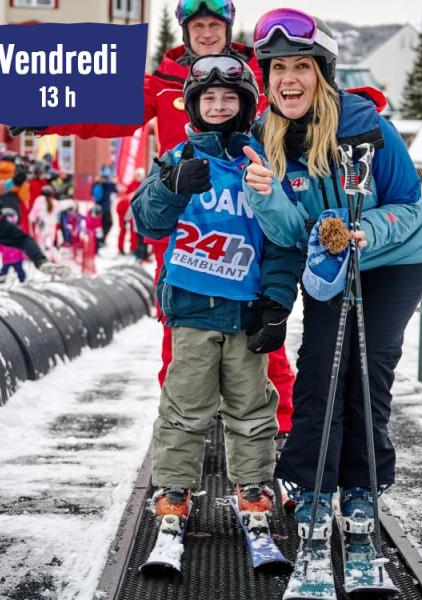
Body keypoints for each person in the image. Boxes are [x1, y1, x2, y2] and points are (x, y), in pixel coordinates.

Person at [6, 0, 297, 438]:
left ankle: (283, 428)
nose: (205, 33)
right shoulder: (164, 83)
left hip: (248, 223)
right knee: (178, 331)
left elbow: (306, 98)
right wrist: (46, 115)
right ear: (186, 31)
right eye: (197, 25)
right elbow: (105, 108)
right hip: (185, 227)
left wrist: (360, 111)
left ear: (227, 27)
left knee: (260, 327)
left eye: (213, 24)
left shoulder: (256, 72)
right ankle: (180, 431)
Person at [242, 9, 422, 531]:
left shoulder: (367, 129)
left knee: (368, 364)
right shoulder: (266, 139)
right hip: (331, 263)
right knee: (323, 364)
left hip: (395, 258)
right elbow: (287, 237)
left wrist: (365, 230)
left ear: (322, 72)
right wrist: (264, 199)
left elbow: (411, 207)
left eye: (301, 66)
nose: (288, 79)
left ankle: (361, 484)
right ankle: (310, 483)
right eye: (278, 68)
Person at [132, 55, 300, 520]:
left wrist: (277, 302)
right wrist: (172, 186)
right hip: (192, 309)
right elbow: (147, 221)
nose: (220, 105)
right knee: (185, 407)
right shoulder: (177, 158)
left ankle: (252, 486)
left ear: (247, 106)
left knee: (251, 407)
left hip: (246, 312)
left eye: (230, 98)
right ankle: (173, 488)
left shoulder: (264, 162)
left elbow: (283, 241)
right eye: (210, 97)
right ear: (193, 104)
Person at [0, 208, 27, 283]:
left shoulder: (17, 230)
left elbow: (24, 242)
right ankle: (2, 280)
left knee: (20, 271)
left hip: (16, 257)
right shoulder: (2, 231)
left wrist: (24, 253)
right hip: (7, 257)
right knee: (4, 271)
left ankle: (23, 281)